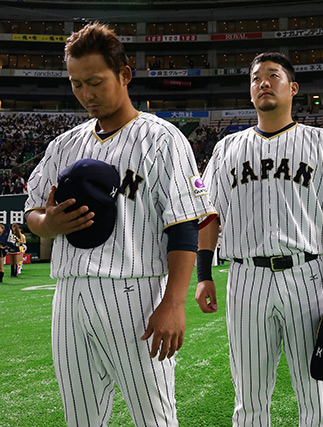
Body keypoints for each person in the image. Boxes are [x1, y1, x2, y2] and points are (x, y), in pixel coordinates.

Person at [24, 23, 213, 426]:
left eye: (95, 82)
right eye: (76, 84)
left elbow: (183, 227)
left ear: (124, 75)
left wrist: (173, 303)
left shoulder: (162, 139)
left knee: (154, 418)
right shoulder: (64, 144)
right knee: (81, 418)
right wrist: (49, 224)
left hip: (136, 293)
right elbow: (32, 215)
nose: (86, 94)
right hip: (70, 295)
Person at [195, 52, 323, 426]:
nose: (263, 83)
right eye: (256, 78)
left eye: (273, 76)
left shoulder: (321, 142)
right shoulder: (227, 148)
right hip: (245, 279)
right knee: (249, 398)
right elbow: (209, 214)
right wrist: (204, 274)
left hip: (307, 276)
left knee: (316, 397)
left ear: (293, 88)